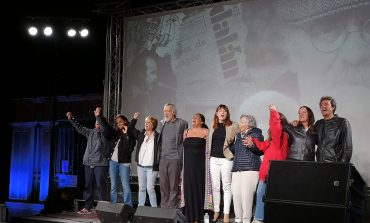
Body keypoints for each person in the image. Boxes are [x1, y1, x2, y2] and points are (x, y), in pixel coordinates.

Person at [245, 104, 289, 223]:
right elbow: (262, 145)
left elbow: (276, 128)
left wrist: (273, 112)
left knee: (273, 198)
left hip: (275, 174)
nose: (270, 125)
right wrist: (253, 141)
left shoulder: (281, 137)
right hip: (265, 174)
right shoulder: (271, 141)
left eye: (272, 123)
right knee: (260, 195)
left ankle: (265, 218)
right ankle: (259, 218)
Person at [66, 110, 108, 214]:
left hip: (100, 164)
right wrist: (71, 119)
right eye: (96, 122)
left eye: (99, 122)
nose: (97, 124)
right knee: (88, 186)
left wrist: (98, 117)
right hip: (88, 163)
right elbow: (79, 127)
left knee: (101, 186)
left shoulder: (105, 134)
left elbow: (104, 129)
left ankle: (103, 208)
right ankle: (88, 207)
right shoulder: (90, 132)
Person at [95, 107, 136, 206]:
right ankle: (113, 206)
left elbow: (130, 147)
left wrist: (126, 134)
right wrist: (99, 116)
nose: (119, 124)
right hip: (113, 162)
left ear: (125, 122)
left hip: (124, 163)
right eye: (117, 123)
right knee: (113, 186)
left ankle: (128, 207)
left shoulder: (130, 134)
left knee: (125, 186)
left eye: (121, 122)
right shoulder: (114, 133)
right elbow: (105, 127)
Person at [123, 50, 177, 123]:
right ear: (141, 74)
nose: (156, 77)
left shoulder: (151, 99)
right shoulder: (129, 98)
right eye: (152, 72)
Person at [208, 104, 239, 223]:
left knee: (226, 186)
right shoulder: (211, 126)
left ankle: (226, 213)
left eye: (224, 111)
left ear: (227, 114)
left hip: (226, 158)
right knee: (215, 186)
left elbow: (245, 130)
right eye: (220, 110)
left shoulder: (233, 125)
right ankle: (216, 211)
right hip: (213, 159)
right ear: (216, 113)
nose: (222, 112)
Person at [230, 114, 264, 223]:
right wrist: (231, 143)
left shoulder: (256, 133)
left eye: (242, 122)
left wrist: (252, 145)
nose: (239, 124)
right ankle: (238, 219)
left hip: (250, 169)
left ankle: (246, 220)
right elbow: (235, 151)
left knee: (246, 197)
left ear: (249, 124)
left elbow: (260, 150)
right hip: (237, 169)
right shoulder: (239, 135)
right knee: (236, 196)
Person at [157, 103, 188, 208]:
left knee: (173, 186)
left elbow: (185, 140)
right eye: (164, 111)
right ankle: (164, 208)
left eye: (168, 110)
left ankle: (172, 210)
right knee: (163, 186)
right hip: (163, 159)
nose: (165, 113)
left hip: (175, 159)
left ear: (173, 112)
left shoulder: (182, 123)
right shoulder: (162, 123)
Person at [182, 113, 211, 223]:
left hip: (200, 167)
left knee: (198, 188)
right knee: (188, 188)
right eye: (193, 117)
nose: (193, 118)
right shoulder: (186, 131)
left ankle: (199, 217)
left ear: (202, 121)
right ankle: (190, 216)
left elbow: (209, 149)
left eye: (196, 117)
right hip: (188, 166)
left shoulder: (206, 132)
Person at [129, 112, 160, 207]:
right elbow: (130, 129)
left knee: (150, 189)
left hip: (151, 167)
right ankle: (140, 208)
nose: (146, 123)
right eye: (145, 122)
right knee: (141, 188)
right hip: (141, 166)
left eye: (149, 122)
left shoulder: (158, 137)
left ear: (153, 125)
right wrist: (134, 119)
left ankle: (154, 209)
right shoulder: (141, 134)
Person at [314, 96, 352, 162]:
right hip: (319, 163)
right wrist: (299, 123)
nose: (322, 107)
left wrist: (342, 166)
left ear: (333, 107)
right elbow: (311, 140)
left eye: (326, 104)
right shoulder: (318, 123)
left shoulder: (342, 122)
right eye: (321, 105)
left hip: (335, 164)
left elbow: (347, 148)